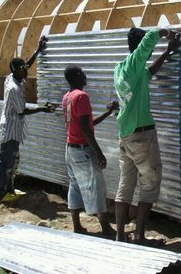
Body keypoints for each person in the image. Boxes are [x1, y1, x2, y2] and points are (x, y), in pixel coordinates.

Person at [113, 27, 181, 245]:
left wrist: (167, 52)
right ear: (139, 46)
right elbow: (150, 39)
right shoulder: (135, 61)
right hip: (142, 136)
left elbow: (148, 74)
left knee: (125, 185)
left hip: (126, 136)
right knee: (150, 184)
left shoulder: (122, 68)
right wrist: (165, 33)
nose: (149, 52)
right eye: (146, 48)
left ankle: (120, 235)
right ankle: (140, 237)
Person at [0, 36, 55, 203]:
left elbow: (27, 64)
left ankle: (10, 190)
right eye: (22, 68)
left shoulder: (14, 77)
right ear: (16, 70)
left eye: (24, 67)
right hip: (10, 130)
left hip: (15, 129)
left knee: (13, 161)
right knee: (6, 161)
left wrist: (38, 50)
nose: (26, 69)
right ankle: (1, 194)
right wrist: (43, 108)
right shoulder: (13, 88)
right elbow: (22, 111)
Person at [62, 66, 118, 236]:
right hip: (82, 150)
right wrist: (99, 153)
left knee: (75, 185)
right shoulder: (82, 96)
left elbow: (86, 124)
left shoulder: (67, 97)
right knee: (96, 186)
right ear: (77, 76)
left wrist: (107, 112)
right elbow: (86, 129)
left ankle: (77, 225)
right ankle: (105, 227)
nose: (85, 76)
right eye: (82, 74)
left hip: (70, 149)